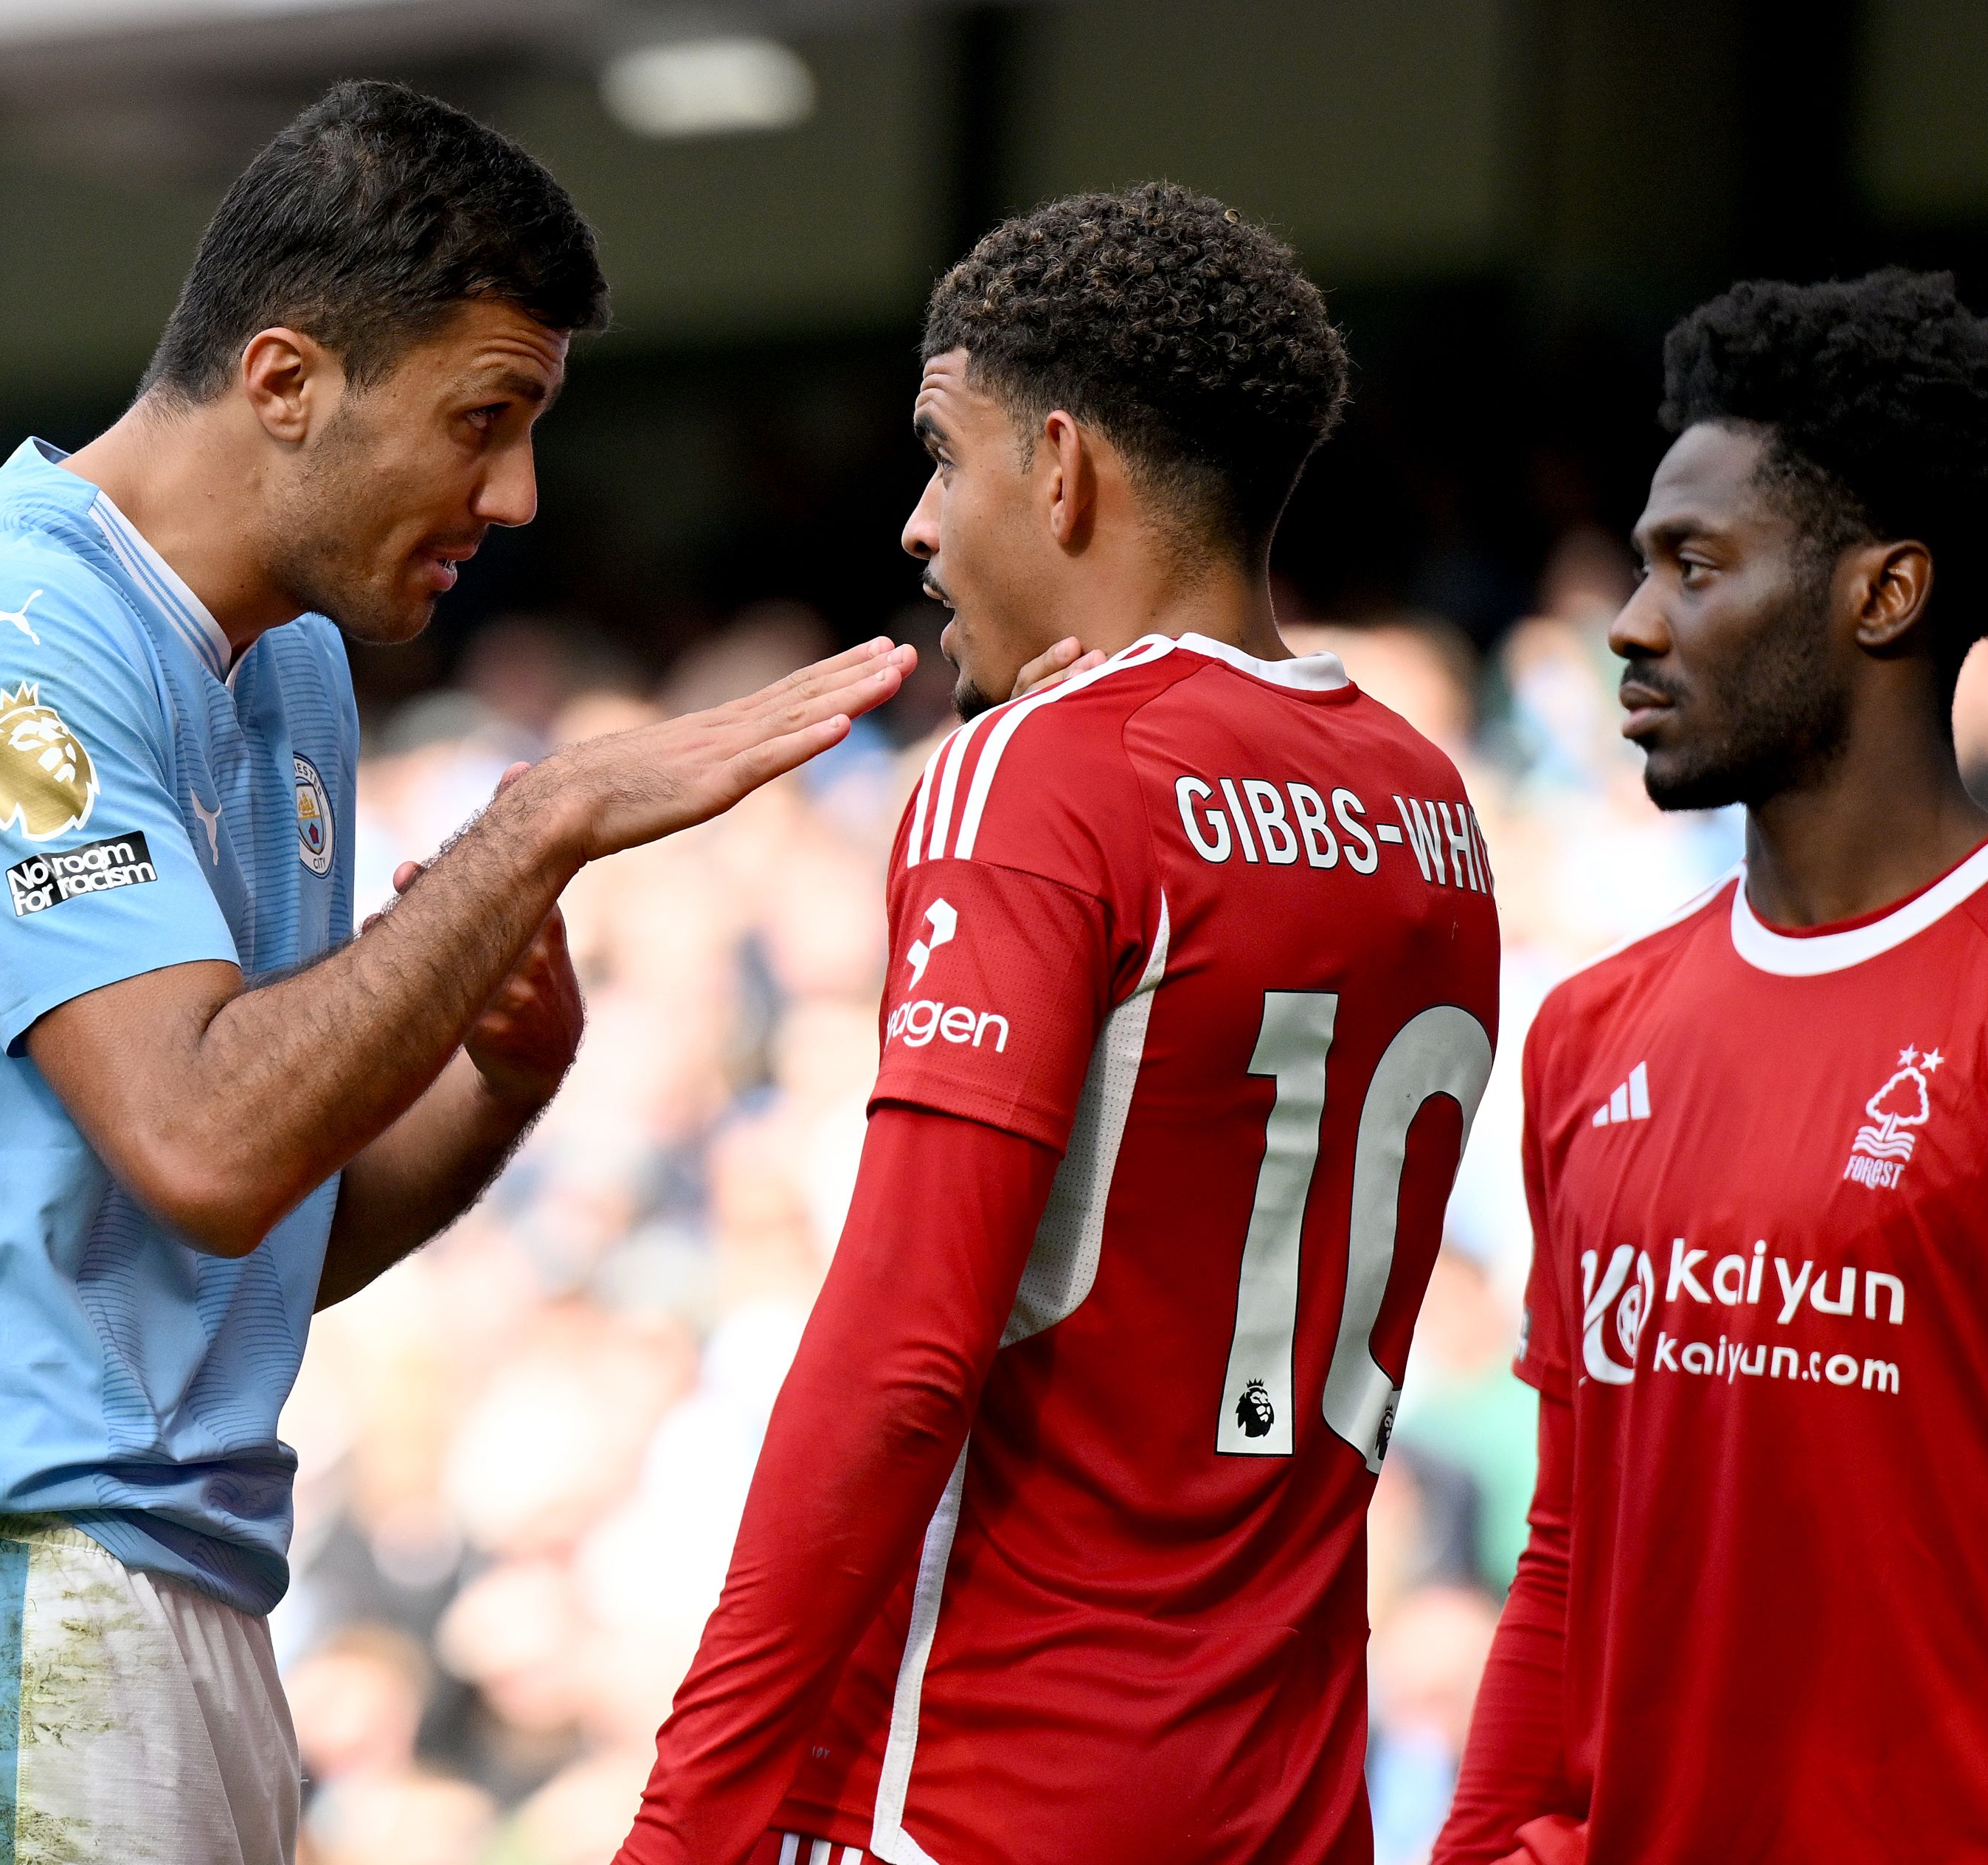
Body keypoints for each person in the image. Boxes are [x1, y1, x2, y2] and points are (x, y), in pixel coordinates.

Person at [0, 81, 912, 1864]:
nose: (512, 495)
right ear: (284, 381)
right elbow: (205, 1136)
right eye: (482, 421)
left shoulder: (285, 669)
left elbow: (253, 1230)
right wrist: (541, 825)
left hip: (154, 1589)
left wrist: (501, 1080)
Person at [615, 182, 1502, 1865]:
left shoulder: (1039, 770)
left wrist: (688, 1823)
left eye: (945, 459)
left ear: (1062, 468)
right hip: (1284, 1794)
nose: (918, 527)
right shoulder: (1426, 802)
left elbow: (896, 1360)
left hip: (992, 1778)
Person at [1433, 270, 1988, 1865]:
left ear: (1882, 595)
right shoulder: (1588, 1032)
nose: (1631, 622)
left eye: (1695, 565)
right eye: (1639, 567)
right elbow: (1566, 1549)